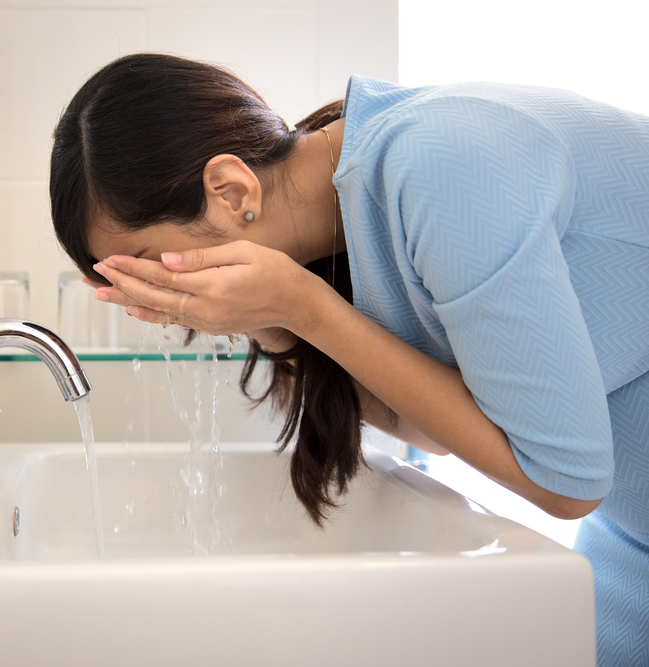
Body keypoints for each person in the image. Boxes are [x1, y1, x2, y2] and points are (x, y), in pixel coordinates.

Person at [49, 53, 648, 665]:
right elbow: (438, 430)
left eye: (147, 261)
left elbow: (564, 483)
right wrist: (278, 321)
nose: (152, 290)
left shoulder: (437, 168)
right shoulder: (355, 219)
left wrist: (303, 307)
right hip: (632, 542)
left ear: (230, 190)